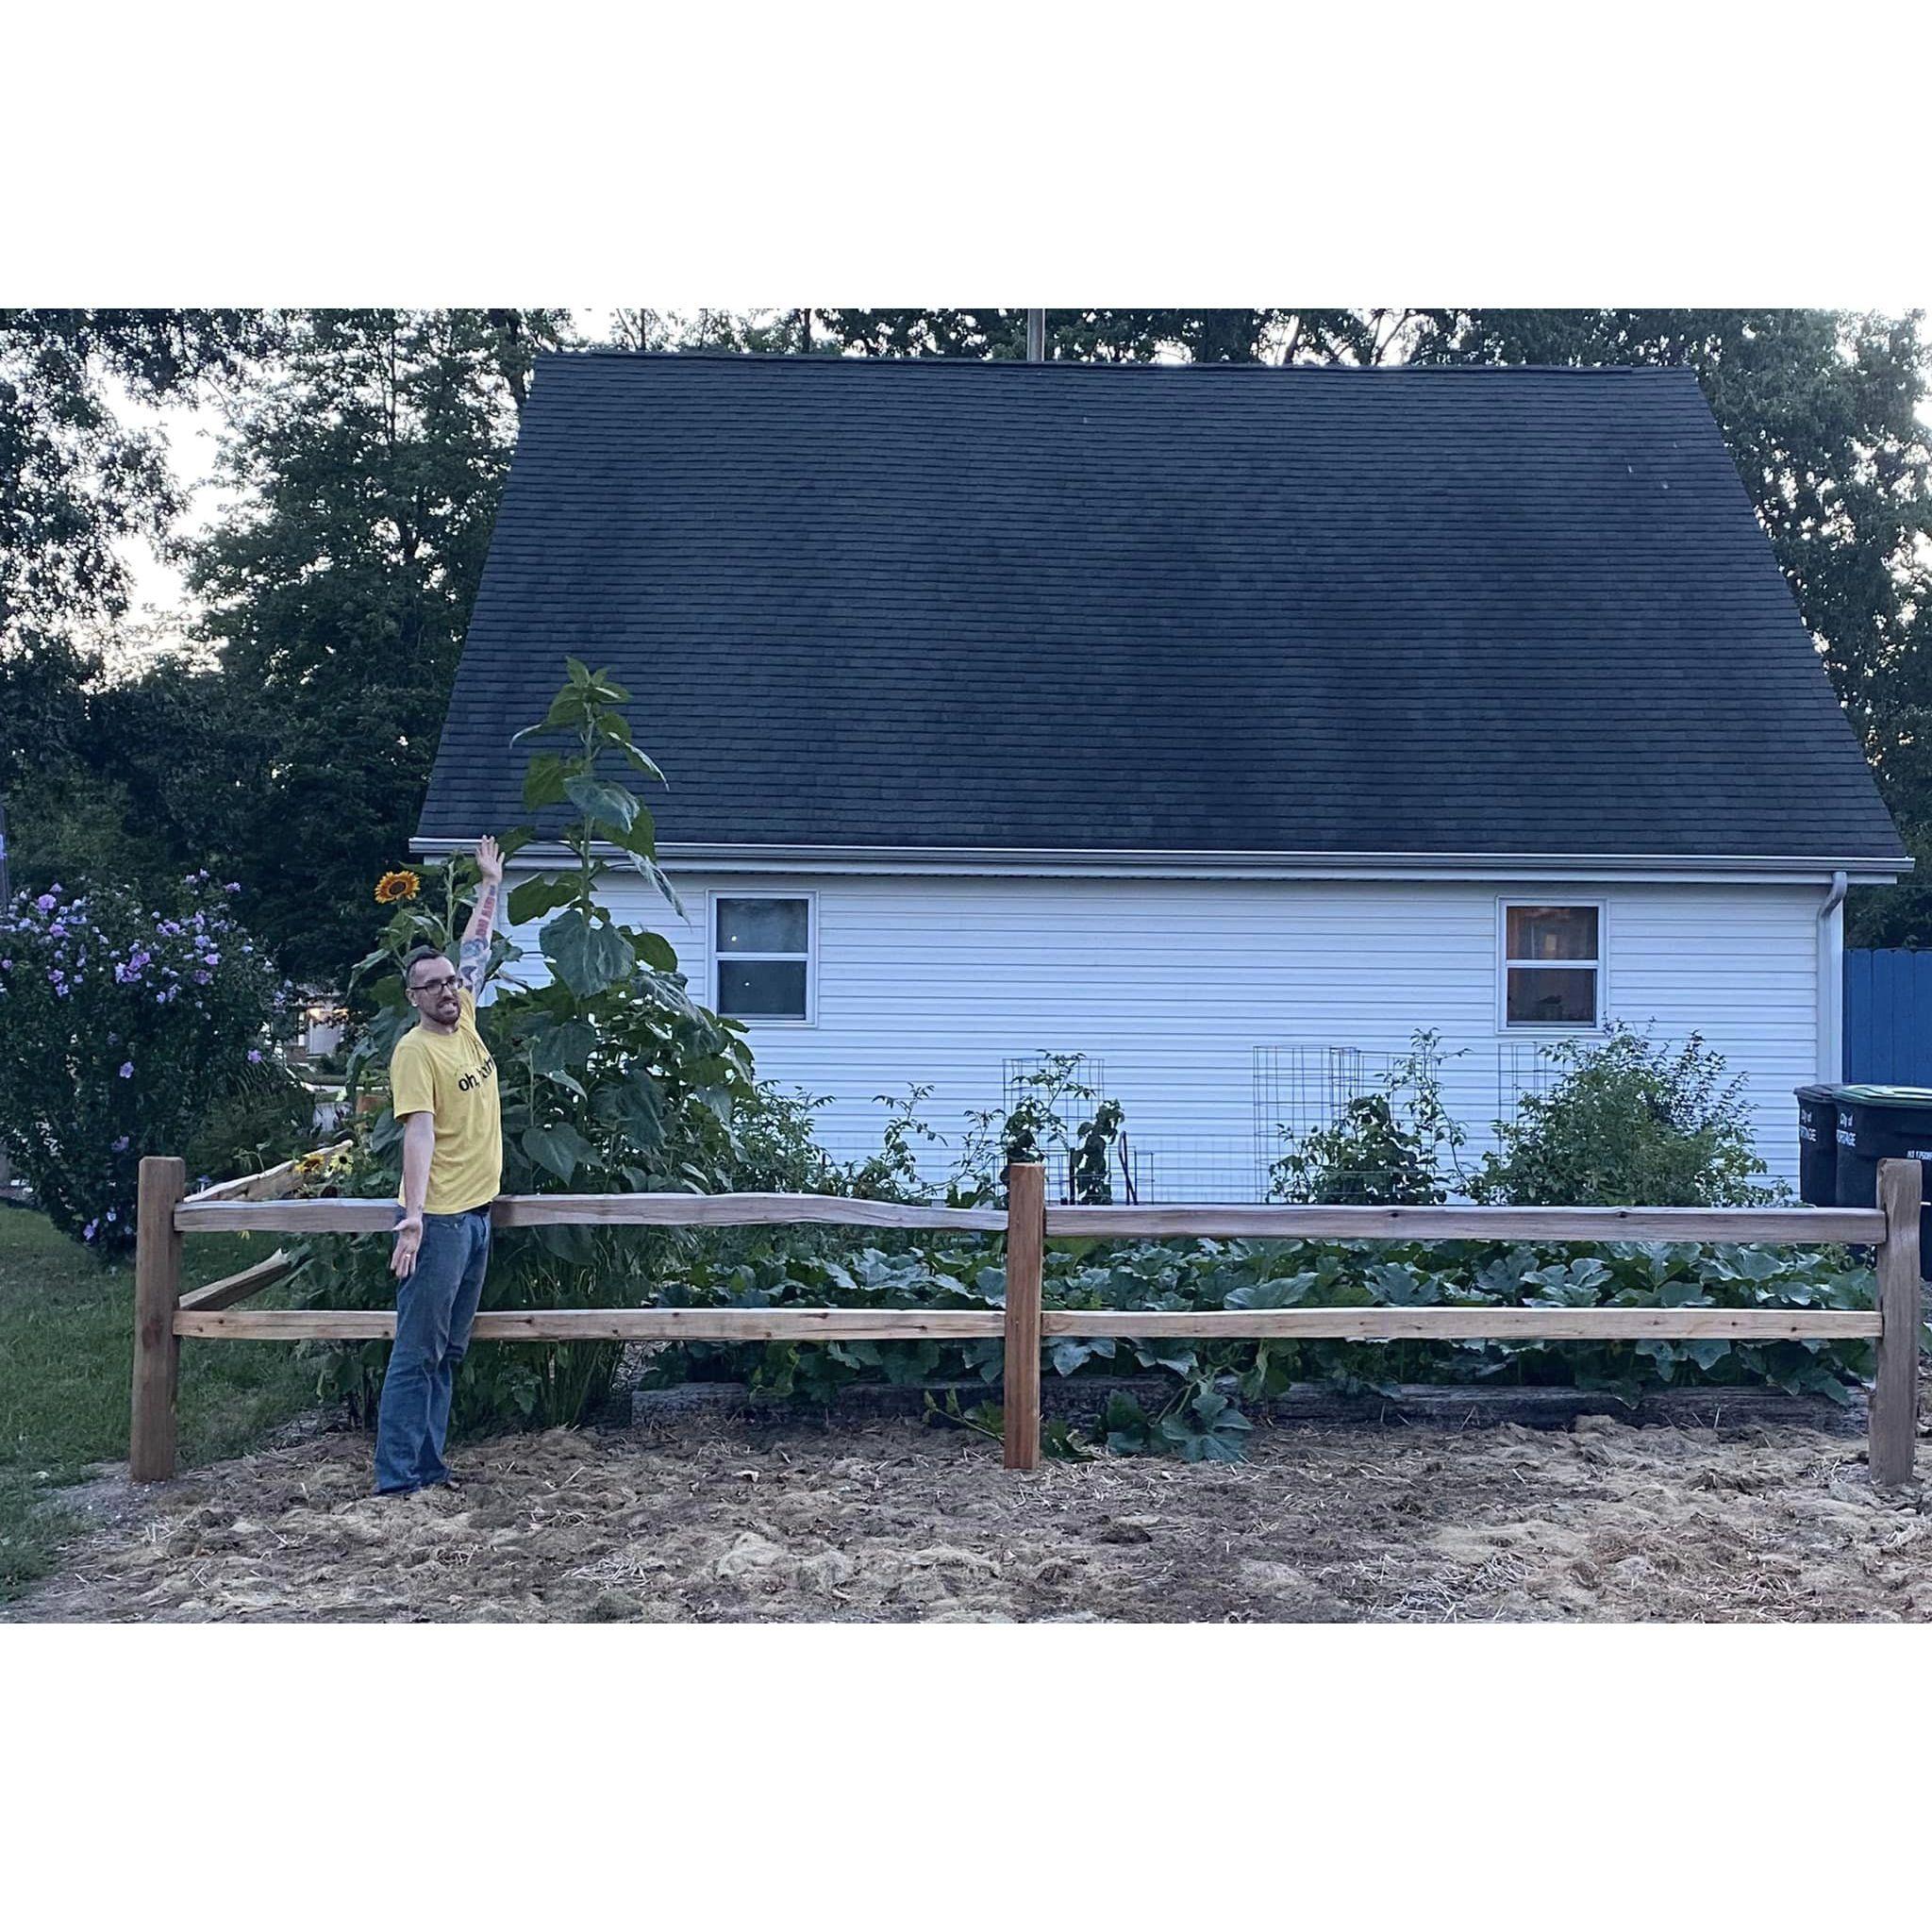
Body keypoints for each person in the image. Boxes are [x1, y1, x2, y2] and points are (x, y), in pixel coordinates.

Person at [375, 836, 505, 1496]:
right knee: (417, 1353)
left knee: (447, 1352)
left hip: (476, 1217)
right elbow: (417, 1134)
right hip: (441, 1220)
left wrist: (489, 884)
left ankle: (428, 1467)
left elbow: (477, 946)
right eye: (433, 986)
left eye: (451, 980)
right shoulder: (414, 1053)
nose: (448, 990)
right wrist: (414, 1219)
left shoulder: (467, 1019)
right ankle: (397, 1481)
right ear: (413, 997)